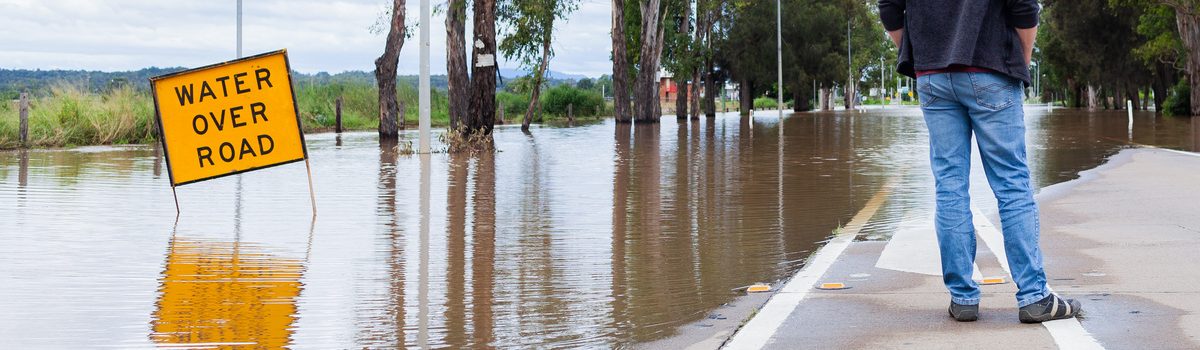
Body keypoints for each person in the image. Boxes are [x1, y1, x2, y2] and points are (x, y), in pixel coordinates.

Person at [877, 0, 1082, 323]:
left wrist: (924, 51)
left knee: (949, 185)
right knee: (1011, 183)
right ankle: (1034, 297)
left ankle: (962, 298)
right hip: (990, 66)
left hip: (933, 75)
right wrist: (1022, 58)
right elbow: (1024, 6)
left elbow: (889, 6)